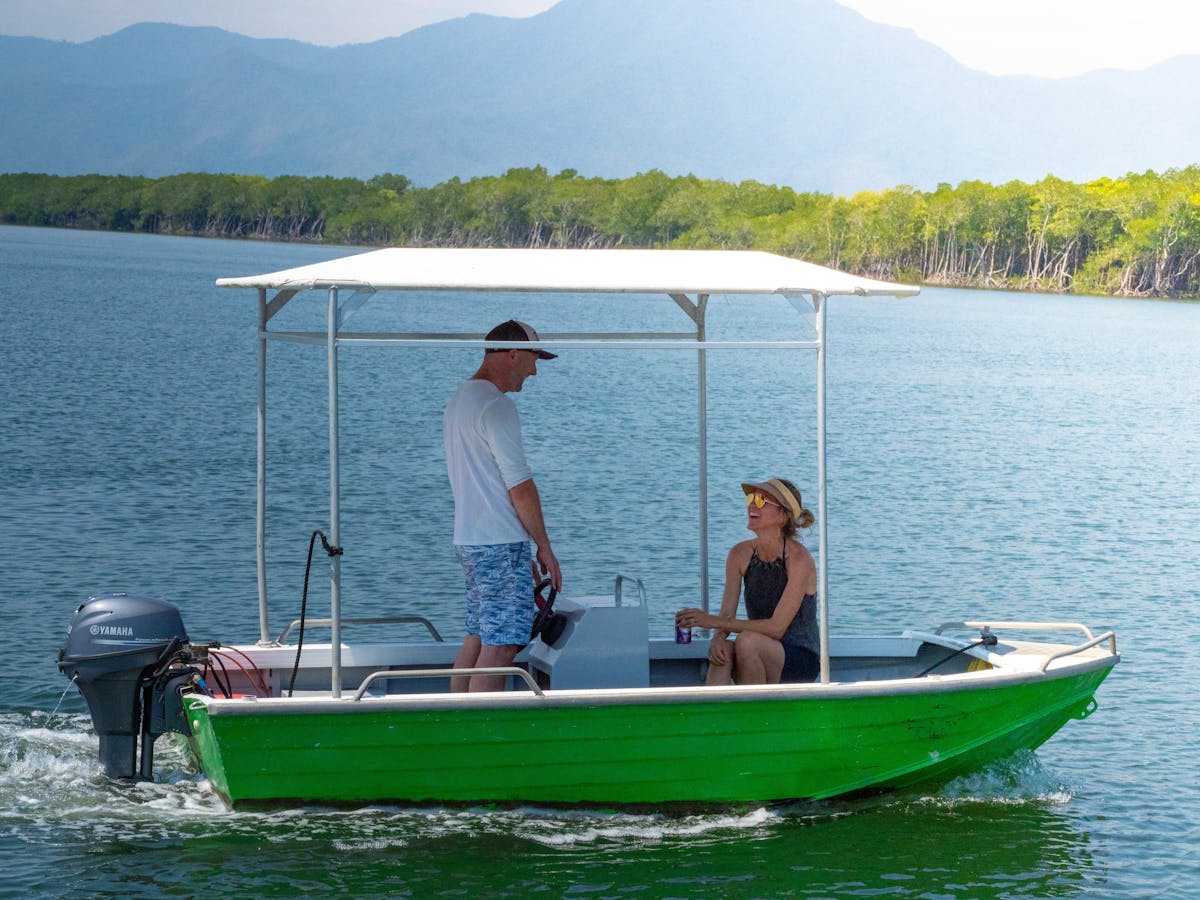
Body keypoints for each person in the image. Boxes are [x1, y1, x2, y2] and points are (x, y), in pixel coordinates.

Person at [444, 319, 563, 692]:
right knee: (501, 645)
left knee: (478, 636)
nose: (534, 370)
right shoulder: (497, 407)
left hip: (471, 540)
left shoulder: (460, 400)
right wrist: (543, 546)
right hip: (497, 542)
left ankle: (454, 727)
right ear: (512, 354)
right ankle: (481, 739)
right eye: (533, 359)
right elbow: (520, 486)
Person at [676, 478, 819, 685]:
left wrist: (709, 620)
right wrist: (717, 638)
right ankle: (712, 715)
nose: (752, 504)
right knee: (723, 649)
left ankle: (755, 715)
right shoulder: (739, 554)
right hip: (757, 646)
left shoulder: (799, 558)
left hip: (799, 657)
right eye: (751, 498)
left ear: (782, 516)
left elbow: (776, 628)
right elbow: (727, 615)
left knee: (747, 642)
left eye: (761, 501)